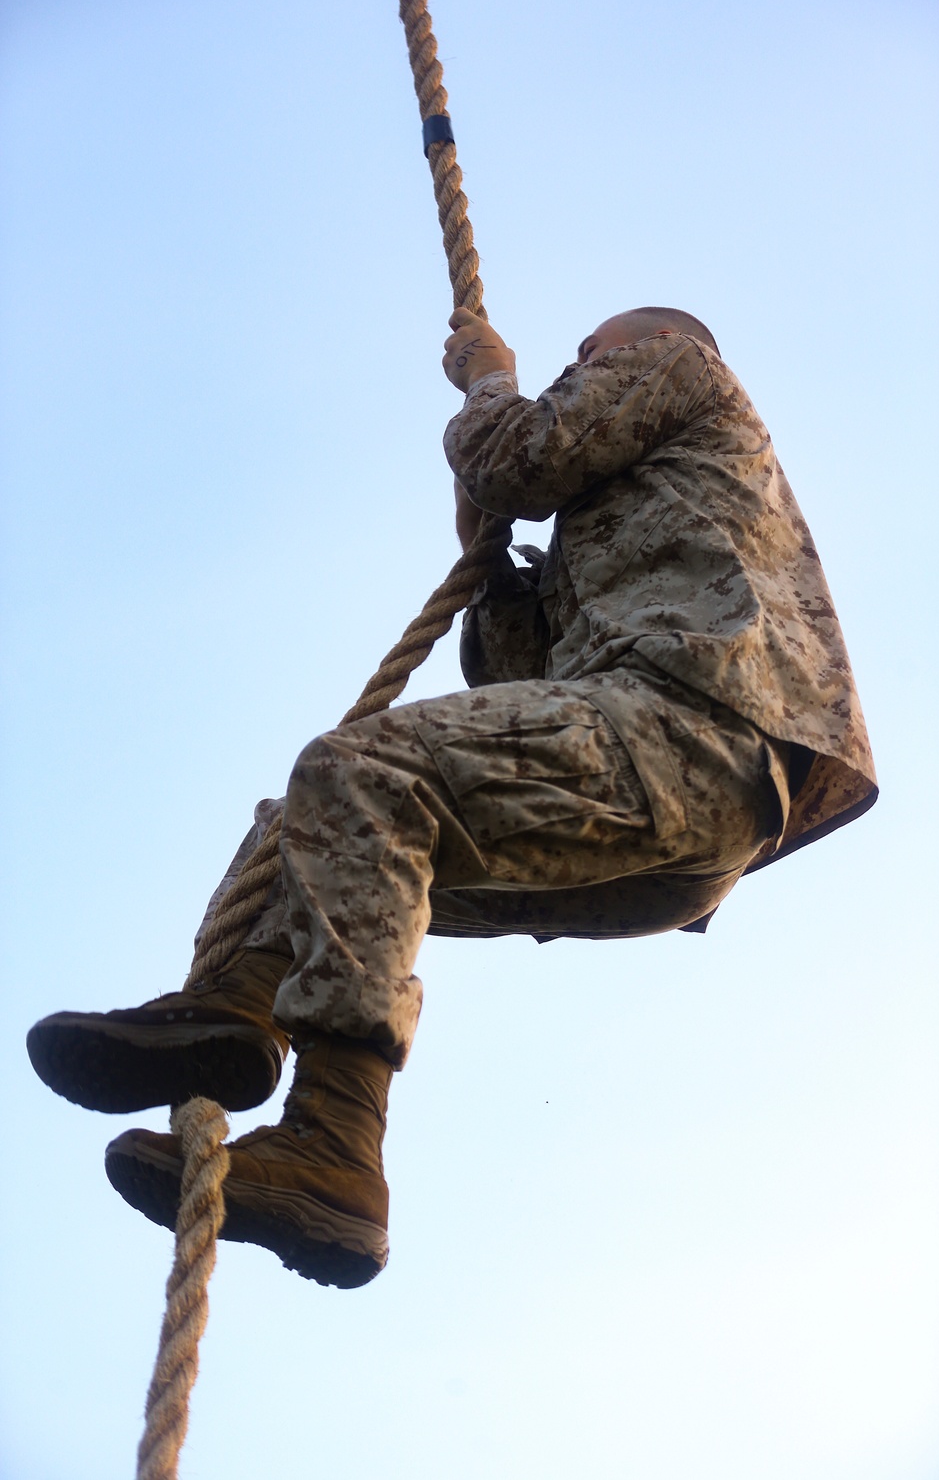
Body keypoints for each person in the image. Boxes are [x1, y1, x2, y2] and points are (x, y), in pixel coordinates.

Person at [26, 306, 877, 1289]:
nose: (578, 364)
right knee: (309, 833)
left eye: (589, 353)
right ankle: (243, 1022)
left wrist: (488, 378)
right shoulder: (621, 523)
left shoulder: (679, 365)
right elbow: (518, 696)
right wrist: (494, 571)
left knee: (360, 772)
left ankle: (334, 1135)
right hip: (669, 833)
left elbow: (517, 452)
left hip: (695, 735)